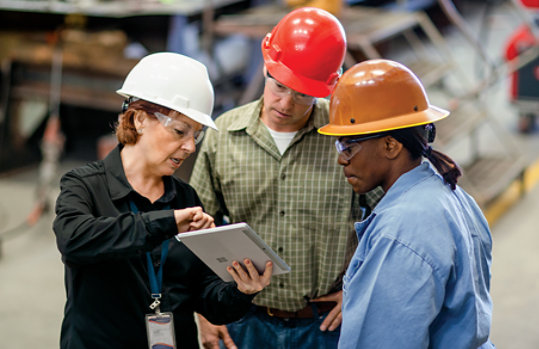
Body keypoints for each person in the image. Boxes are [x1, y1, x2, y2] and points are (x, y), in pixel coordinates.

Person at [189, 7, 384, 349]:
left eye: (303, 94)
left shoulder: (345, 139)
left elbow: (390, 221)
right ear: (266, 66)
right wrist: (205, 312)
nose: (286, 103)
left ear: (326, 88)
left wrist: (362, 289)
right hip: (244, 320)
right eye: (278, 86)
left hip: (326, 325)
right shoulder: (222, 137)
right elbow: (195, 231)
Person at [53, 52, 272, 349]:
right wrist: (167, 223)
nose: (190, 146)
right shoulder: (84, 186)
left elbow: (205, 296)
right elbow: (75, 239)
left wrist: (241, 290)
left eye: (197, 135)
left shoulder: (185, 198)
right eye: (180, 131)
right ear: (139, 118)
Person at [318, 59, 495, 348]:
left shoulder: (400, 231)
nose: (341, 159)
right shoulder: (451, 195)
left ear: (390, 145)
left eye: (348, 146)